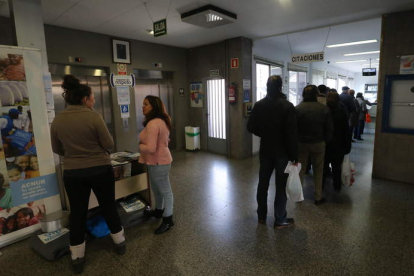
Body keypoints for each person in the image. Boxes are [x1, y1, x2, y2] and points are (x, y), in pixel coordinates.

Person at [51, 75, 125, 274]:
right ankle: (119, 243)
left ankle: (77, 257)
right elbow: (109, 144)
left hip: (73, 173)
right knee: (108, 206)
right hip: (100, 169)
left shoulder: (58, 119)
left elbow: (56, 148)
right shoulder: (94, 116)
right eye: (92, 97)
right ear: (85, 99)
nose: (93, 101)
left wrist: (75, 155)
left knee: (78, 213)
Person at [247, 75, 298, 228]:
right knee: (280, 186)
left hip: (265, 151)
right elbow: (292, 134)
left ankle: (261, 216)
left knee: (263, 183)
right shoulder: (288, 106)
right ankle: (280, 218)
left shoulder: (259, 105)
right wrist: (295, 156)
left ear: (266, 86)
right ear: (281, 87)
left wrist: (263, 133)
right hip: (283, 153)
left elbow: (250, 127)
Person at [139, 95, 174, 234]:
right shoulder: (162, 120)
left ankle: (168, 219)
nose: (143, 106)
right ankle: (159, 211)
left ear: (154, 106)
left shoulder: (153, 123)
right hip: (158, 161)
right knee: (156, 188)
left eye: (146, 104)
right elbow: (165, 140)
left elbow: (151, 148)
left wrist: (140, 146)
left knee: (165, 190)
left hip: (159, 162)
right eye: (143, 103)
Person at [296, 85, 333, 205]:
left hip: (301, 143)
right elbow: (329, 128)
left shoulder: (297, 109)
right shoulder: (324, 109)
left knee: (300, 170)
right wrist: (325, 141)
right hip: (318, 142)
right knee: (318, 170)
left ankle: (299, 196)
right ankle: (318, 196)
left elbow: (293, 128)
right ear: (316, 95)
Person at [324, 91, 351, 191]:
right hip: (339, 145)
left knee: (323, 167)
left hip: (325, 144)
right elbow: (346, 131)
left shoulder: (323, 110)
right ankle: (337, 186)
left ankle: (321, 186)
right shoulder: (342, 112)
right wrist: (347, 146)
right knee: (336, 167)